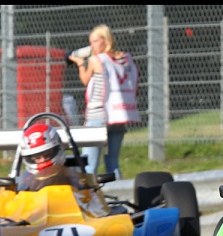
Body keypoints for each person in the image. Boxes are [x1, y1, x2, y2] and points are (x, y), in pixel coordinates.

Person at [68, 24, 141, 180]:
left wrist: (80, 63)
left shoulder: (97, 60)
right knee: (113, 161)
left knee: (89, 163)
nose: (92, 46)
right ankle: (118, 192)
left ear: (106, 40)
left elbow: (85, 80)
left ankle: (89, 200)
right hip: (119, 114)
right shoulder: (127, 58)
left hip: (98, 115)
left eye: (95, 41)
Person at [18, 123, 84, 192]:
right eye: (37, 158)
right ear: (30, 158)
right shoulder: (26, 181)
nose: (43, 160)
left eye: (47, 155)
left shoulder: (73, 177)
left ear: (57, 150)